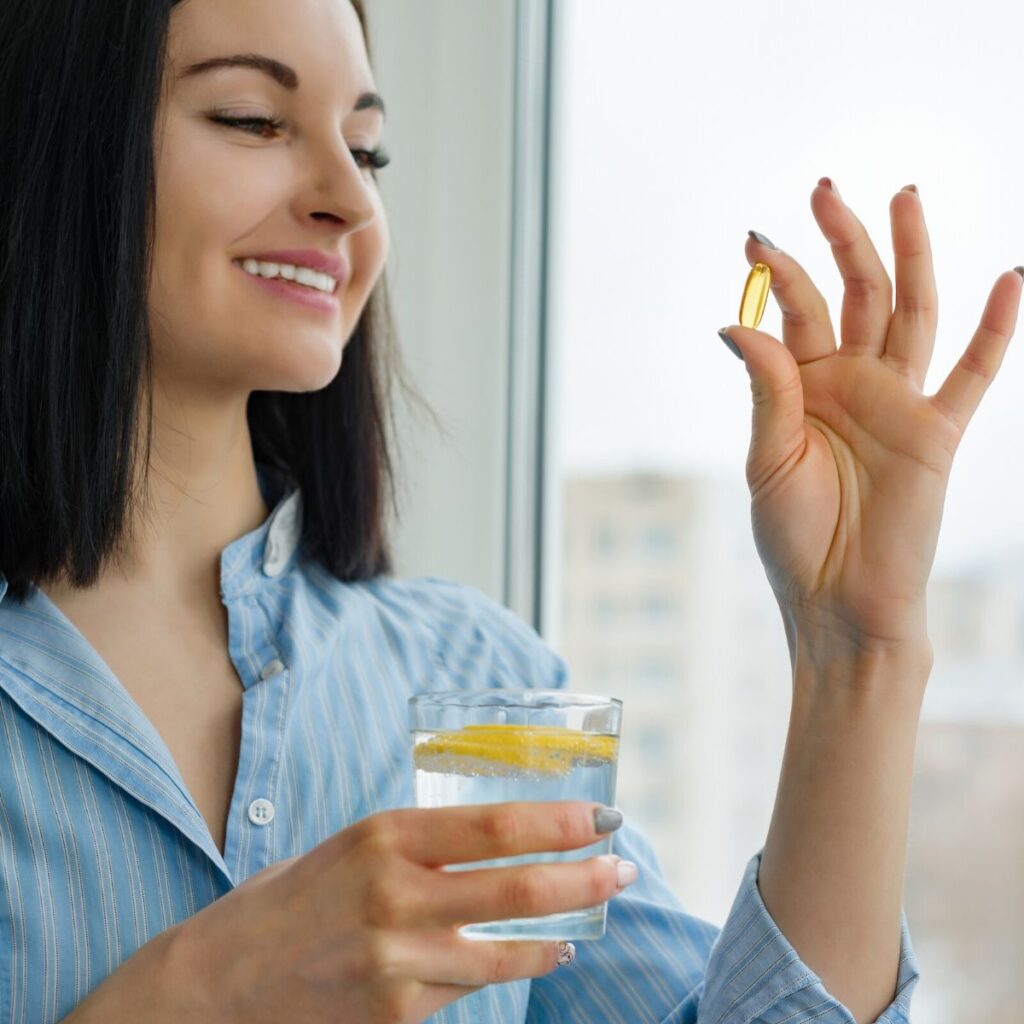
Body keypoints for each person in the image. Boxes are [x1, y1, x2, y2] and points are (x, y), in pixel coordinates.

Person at [0, 0, 1020, 1021]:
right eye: (252, 120)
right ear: (56, 135)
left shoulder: (480, 683)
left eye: (367, 148)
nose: (348, 198)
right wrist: (198, 994)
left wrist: (858, 652)